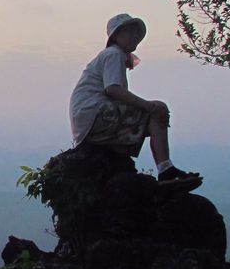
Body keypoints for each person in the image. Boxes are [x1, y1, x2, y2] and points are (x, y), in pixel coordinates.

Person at [69, 13, 202, 189]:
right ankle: (165, 169)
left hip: (89, 119)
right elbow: (113, 89)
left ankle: (165, 169)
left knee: (152, 113)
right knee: (157, 109)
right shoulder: (113, 54)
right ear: (116, 35)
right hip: (94, 115)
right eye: (129, 32)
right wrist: (149, 106)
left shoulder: (112, 55)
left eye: (136, 33)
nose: (135, 36)